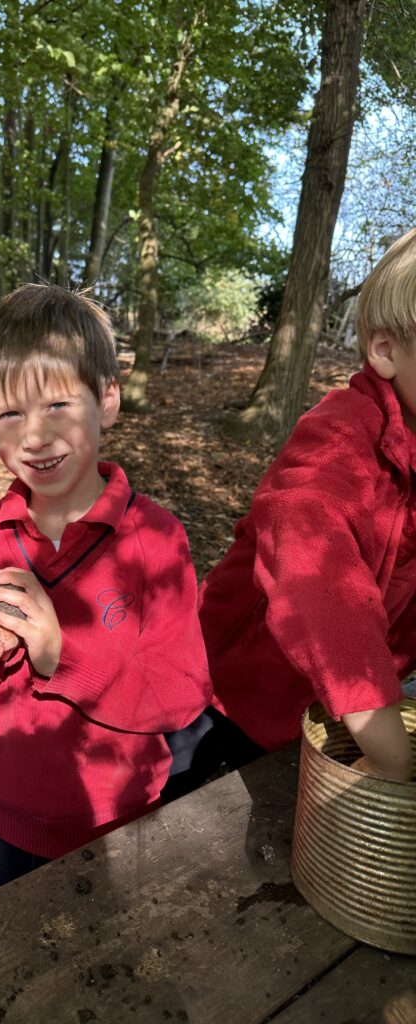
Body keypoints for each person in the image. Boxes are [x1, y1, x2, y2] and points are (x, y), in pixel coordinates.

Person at [0, 284, 211, 892]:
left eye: (57, 405)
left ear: (107, 399)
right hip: (7, 826)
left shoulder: (154, 539)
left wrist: (61, 656)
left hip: (124, 822)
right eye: (8, 414)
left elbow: (182, 694)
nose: (33, 436)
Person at [197, 228, 416, 785]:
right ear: (387, 351)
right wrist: (390, 748)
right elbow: (309, 559)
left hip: (342, 719)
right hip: (237, 703)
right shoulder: (339, 435)